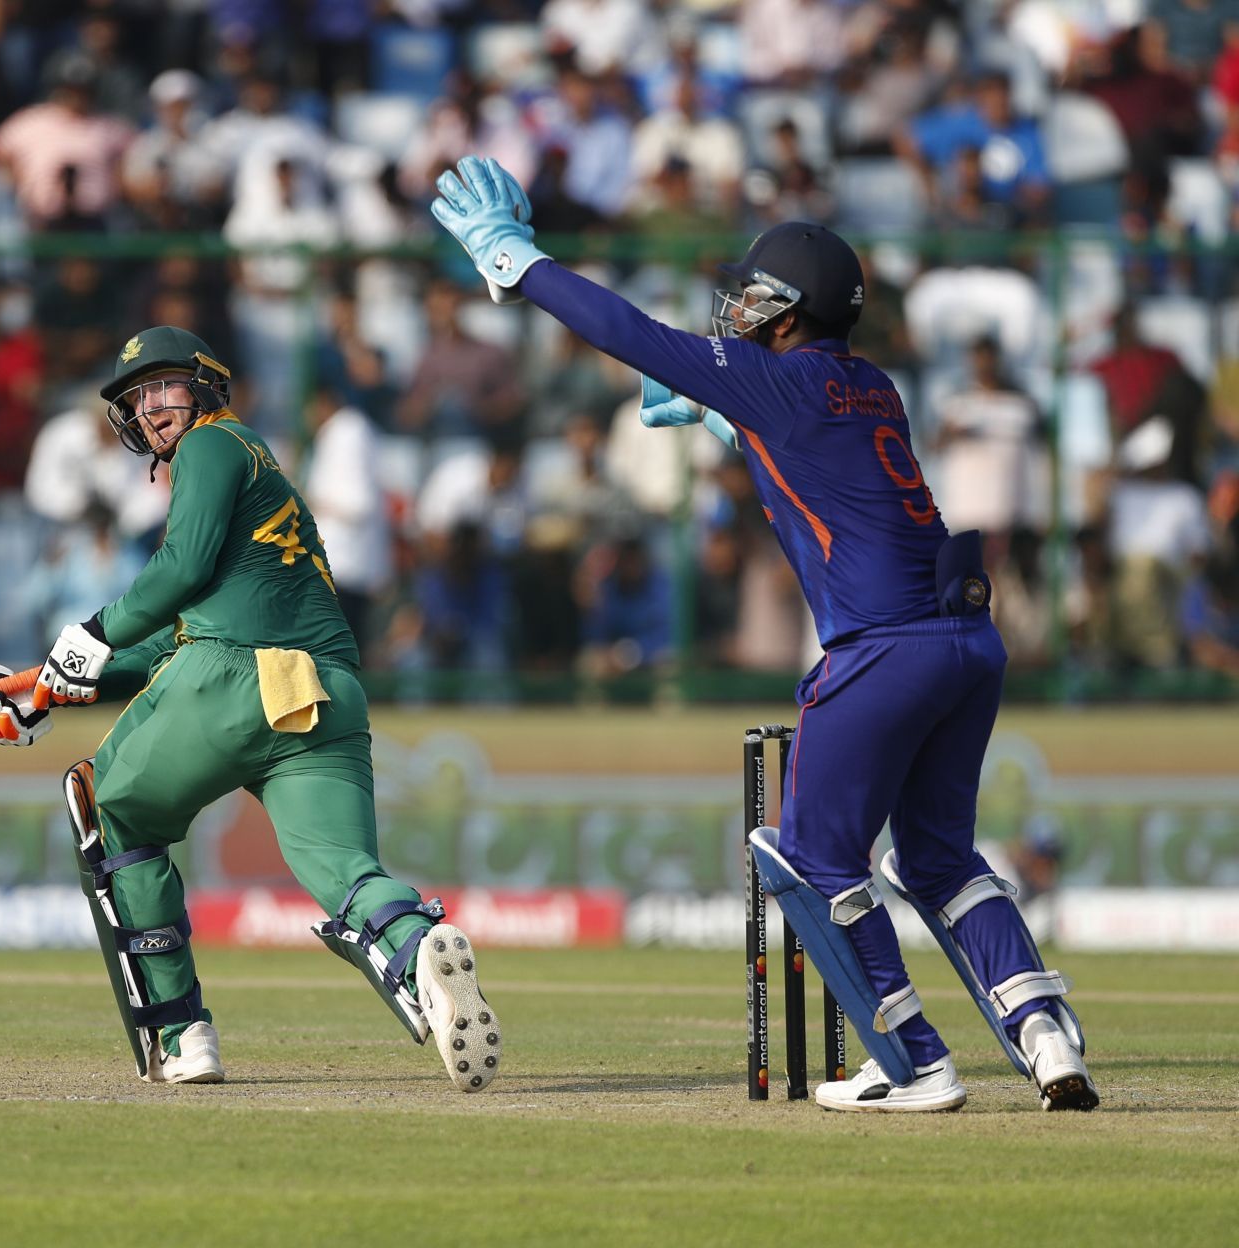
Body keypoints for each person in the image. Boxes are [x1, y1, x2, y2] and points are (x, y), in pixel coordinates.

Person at [430, 156, 1095, 1113]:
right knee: (939, 859)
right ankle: (1047, 1037)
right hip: (966, 642)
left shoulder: (775, 381)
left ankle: (915, 1061)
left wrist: (517, 261)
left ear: (789, 309)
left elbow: (630, 333)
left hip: (882, 652)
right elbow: (820, 470)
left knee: (811, 860)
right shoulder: (875, 388)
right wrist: (725, 419)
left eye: (753, 297)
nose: (736, 309)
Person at [0, 327, 502, 1092]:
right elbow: (170, 646)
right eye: (136, 399)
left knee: (113, 814)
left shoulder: (213, 446)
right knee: (345, 871)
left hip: (232, 680)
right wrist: (34, 688)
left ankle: (183, 1036)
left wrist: (86, 636)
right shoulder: (261, 483)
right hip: (323, 693)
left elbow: (178, 575)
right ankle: (418, 953)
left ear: (206, 385)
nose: (148, 409)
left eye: (161, 386)